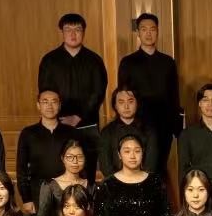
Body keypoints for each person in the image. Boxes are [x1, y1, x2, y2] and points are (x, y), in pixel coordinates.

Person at [37, 13, 108, 181]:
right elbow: (45, 93)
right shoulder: (50, 60)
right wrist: (58, 117)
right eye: (68, 29)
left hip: (87, 125)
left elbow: (98, 91)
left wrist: (79, 116)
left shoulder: (94, 60)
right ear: (62, 32)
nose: (73, 34)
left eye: (78, 29)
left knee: (87, 174)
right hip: (57, 123)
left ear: (84, 32)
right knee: (57, 171)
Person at [116, 12, 181, 169]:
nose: (148, 33)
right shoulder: (127, 62)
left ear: (157, 32)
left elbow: (174, 95)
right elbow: (122, 96)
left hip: (164, 123)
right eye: (144, 29)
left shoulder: (168, 62)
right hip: (138, 123)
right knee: (139, 166)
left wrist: (176, 127)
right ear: (138, 33)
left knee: (160, 167)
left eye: (152, 29)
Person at [16, 90, 76, 213]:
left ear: (59, 105)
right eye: (45, 102)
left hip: (67, 191)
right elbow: (21, 169)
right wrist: (26, 199)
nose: (49, 106)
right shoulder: (28, 133)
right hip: (38, 192)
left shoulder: (71, 132)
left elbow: (80, 161)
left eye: (54, 102)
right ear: (38, 105)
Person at [36, 139, 93, 216]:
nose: (75, 162)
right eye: (70, 157)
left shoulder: (91, 186)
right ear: (62, 158)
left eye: (79, 157)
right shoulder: (50, 185)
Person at [98, 86, 160, 177]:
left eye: (130, 101)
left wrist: (140, 180)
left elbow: (151, 165)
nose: (126, 106)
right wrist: (119, 181)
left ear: (137, 103)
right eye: (121, 102)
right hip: (115, 182)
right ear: (115, 105)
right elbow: (105, 166)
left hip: (145, 181)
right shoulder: (107, 132)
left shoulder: (150, 130)